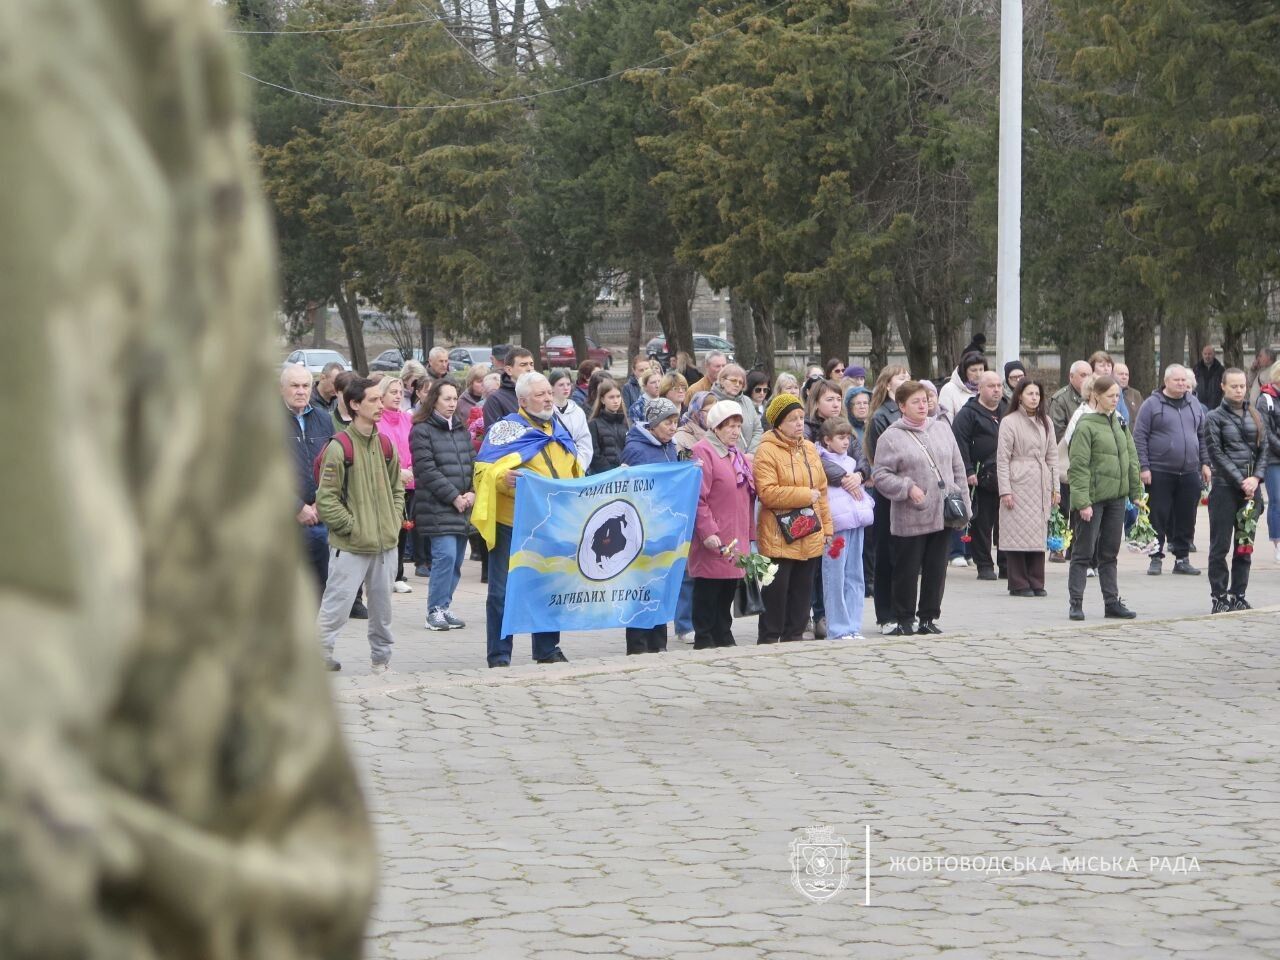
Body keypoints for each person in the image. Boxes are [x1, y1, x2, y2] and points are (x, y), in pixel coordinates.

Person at [473, 372, 582, 667]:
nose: (548, 399)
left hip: (551, 524)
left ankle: (547, 648)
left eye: (548, 393)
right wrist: (502, 479)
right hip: (513, 524)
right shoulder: (505, 429)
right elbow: (483, 470)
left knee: (549, 586)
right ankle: (499, 655)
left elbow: (573, 469)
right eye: (540, 395)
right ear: (522, 401)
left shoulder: (559, 428)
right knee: (502, 592)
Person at [315, 376, 405, 673]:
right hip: (351, 546)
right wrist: (352, 527)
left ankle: (382, 661)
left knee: (382, 611)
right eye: (373, 400)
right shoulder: (339, 447)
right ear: (354, 405)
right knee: (336, 606)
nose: (381, 405)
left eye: (381, 399)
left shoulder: (385, 444)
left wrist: (393, 520)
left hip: (385, 545)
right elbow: (326, 499)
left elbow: (397, 488)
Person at [871, 380, 972, 636]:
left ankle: (928, 617)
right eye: (915, 401)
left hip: (943, 512)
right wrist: (907, 488)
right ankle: (904, 618)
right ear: (902, 406)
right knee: (907, 569)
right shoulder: (891, 437)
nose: (922, 405)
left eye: (925, 400)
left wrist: (965, 505)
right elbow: (880, 475)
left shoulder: (942, 428)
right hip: (911, 514)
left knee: (936, 569)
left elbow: (958, 468)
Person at [754, 394, 833, 643]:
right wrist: (804, 495)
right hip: (778, 535)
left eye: (801, 417)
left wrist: (827, 528)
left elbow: (821, 491)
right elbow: (767, 493)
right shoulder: (766, 450)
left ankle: (794, 640)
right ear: (778, 423)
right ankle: (769, 641)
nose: (799, 423)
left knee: (802, 595)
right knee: (775, 596)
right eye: (792, 419)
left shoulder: (809, 448)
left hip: (809, 532)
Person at [1066, 376, 1143, 621]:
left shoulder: (1119, 422)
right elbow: (1078, 466)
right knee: (1083, 552)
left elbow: (1131, 458)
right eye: (1110, 396)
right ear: (1096, 396)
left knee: (1109, 553)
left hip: (1116, 498)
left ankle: (1111, 602)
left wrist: (1136, 493)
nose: (1115, 400)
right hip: (1093, 499)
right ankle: (1076, 603)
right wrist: (1083, 502)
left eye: (1117, 396)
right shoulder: (1085, 425)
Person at [690, 400, 757, 648]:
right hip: (715, 534)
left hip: (736, 534)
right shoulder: (703, 451)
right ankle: (705, 636)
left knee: (728, 586)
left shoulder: (737, 454)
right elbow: (698, 497)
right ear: (716, 427)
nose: (735, 431)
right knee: (709, 588)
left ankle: (723, 633)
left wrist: (749, 533)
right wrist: (707, 531)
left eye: (738, 426)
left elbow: (747, 496)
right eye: (730, 426)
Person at [409, 378, 475, 630]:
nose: (452, 403)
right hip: (438, 506)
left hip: (463, 506)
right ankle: (434, 610)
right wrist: (453, 497)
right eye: (446, 398)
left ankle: (445, 606)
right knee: (445, 556)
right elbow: (426, 470)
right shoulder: (421, 430)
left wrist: (472, 492)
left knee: (456, 560)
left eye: (455, 398)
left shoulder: (460, 428)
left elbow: (472, 463)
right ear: (434, 400)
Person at [1133, 364, 1211, 576]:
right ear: (1166, 381)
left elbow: (1202, 435)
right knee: (1158, 516)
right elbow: (1139, 437)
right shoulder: (1151, 405)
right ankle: (1155, 557)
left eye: (1184, 380)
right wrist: (1144, 467)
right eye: (1177, 380)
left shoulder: (1194, 403)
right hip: (1159, 471)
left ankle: (1182, 558)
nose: (1182, 384)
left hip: (1190, 471)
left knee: (1187, 516)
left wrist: (1205, 463)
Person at [618, 397, 681, 655]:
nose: (673, 427)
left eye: (676, 422)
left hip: (664, 529)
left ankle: (658, 642)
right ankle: (638, 646)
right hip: (641, 530)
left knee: (660, 587)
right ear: (653, 424)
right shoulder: (636, 449)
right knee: (640, 589)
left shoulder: (671, 448)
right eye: (668, 422)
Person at [1205, 368, 1269, 612]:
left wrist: (1256, 478)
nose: (1239, 390)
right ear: (1223, 387)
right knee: (1220, 546)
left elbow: (1264, 450)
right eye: (1234, 386)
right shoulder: (1214, 417)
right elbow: (1216, 454)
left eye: (1242, 386)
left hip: (1251, 491)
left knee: (1244, 545)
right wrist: (1242, 480)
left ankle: (1238, 593)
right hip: (1225, 488)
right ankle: (1219, 596)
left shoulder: (1255, 414)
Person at [996, 380, 1060, 597]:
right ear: (1020, 396)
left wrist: (1056, 488)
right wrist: (1005, 490)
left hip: (1041, 481)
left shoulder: (1046, 422)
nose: (1034, 398)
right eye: (1029, 393)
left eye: (1037, 394)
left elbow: (1053, 456)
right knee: (1017, 533)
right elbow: (1002, 459)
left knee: (1037, 533)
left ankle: (1036, 581)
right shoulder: (1009, 422)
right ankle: (1018, 583)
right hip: (1018, 480)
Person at [817, 418, 874, 640]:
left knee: (855, 575)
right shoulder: (821, 460)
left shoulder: (851, 462)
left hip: (856, 521)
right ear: (827, 440)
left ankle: (853, 625)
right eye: (840, 438)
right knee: (835, 575)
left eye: (848, 437)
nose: (846, 442)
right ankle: (838, 627)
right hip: (837, 525)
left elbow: (864, 471)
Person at [282, 363, 335, 591]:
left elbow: (333, 466)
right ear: (281, 388)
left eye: (305, 386)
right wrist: (297, 507)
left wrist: (322, 502)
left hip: (320, 517)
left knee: (321, 586)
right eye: (294, 386)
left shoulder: (324, 419)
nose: (301, 391)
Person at [952, 371, 1008, 581]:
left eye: (999, 386)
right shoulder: (968, 414)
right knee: (982, 524)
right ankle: (984, 565)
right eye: (991, 386)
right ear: (980, 389)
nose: (996, 390)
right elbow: (959, 443)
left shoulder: (1008, 409)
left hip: (1006, 476)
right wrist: (967, 471)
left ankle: (1006, 564)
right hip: (980, 477)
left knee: (1006, 524)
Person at [866, 365, 910, 633]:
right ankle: (885, 614)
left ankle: (905, 610)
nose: (907, 379)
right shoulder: (882, 416)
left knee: (906, 556)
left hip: (912, 492)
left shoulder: (913, 414)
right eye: (901, 376)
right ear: (887, 384)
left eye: (909, 376)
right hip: (889, 491)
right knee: (886, 553)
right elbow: (881, 457)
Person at [376, 377, 418, 593]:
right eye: (393, 392)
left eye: (400, 392)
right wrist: (397, 472)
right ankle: (383, 574)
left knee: (403, 530)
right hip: (387, 482)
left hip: (409, 482)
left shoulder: (407, 419)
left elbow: (414, 446)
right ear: (381, 395)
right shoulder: (376, 421)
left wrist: (411, 468)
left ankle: (398, 574)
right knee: (387, 529)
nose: (398, 396)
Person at [708, 363, 764, 453]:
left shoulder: (747, 401)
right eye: (733, 381)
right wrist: (733, 456)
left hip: (751, 457)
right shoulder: (711, 401)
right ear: (722, 380)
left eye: (740, 382)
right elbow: (710, 434)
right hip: (724, 456)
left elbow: (758, 430)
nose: (737, 385)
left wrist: (752, 453)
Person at [547, 368, 593, 473]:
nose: (566, 388)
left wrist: (579, 466)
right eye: (561, 385)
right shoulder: (545, 412)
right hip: (555, 468)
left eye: (568, 384)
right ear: (551, 387)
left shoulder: (578, 411)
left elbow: (584, 441)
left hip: (577, 465)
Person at [1258, 359, 1280, 563]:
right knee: (1277, 501)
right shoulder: (1266, 399)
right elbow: (1265, 432)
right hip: (1273, 458)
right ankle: (1278, 543)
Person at [482, 346, 535, 428]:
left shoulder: (540, 393)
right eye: (523, 365)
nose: (529, 368)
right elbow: (494, 433)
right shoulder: (495, 400)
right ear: (509, 370)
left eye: (531, 364)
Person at [587, 378, 628, 474]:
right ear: (602, 400)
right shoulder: (594, 424)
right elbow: (595, 455)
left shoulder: (625, 422)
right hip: (604, 476)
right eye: (611, 397)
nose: (616, 401)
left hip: (625, 472)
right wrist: (612, 472)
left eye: (618, 396)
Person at [937, 351, 987, 424]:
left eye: (981, 369)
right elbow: (945, 422)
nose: (978, 374)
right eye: (973, 370)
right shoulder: (949, 389)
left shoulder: (987, 388)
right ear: (964, 371)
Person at [1050, 361, 1092, 442]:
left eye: (1089, 376)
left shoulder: (1095, 396)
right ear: (1071, 376)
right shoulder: (1060, 399)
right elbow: (1057, 432)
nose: (1087, 379)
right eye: (1083, 375)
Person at [675, 391, 711, 457]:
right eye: (709, 411)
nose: (713, 415)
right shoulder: (680, 438)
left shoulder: (720, 435)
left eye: (715, 410)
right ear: (695, 412)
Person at [1193, 345, 1225, 411]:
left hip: (1215, 404)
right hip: (1199, 403)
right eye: (1205, 354)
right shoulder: (1196, 368)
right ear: (1202, 354)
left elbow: (1224, 387)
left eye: (1209, 354)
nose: (1207, 356)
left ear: (1214, 354)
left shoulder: (1220, 369)